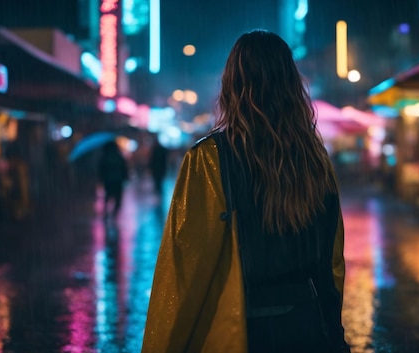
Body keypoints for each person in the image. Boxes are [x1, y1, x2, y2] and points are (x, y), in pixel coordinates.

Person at [142, 30, 349, 353]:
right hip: (307, 328)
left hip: (239, 330)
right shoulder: (314, 160)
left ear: (232, 85)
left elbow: (185, 272)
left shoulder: (209, 159)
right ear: (292, 86)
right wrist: (334, 334)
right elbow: (331, 263)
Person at [98, 141, 129, 215]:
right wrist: (125, 177)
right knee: (118, 197)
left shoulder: (104, 157)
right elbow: (124, 168)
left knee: (108, 195)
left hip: (108, 180)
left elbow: (101, 170)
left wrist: (101, 178)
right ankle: (115, 212)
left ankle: (106, 211)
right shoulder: (119, 157)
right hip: (118, 180)